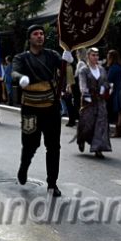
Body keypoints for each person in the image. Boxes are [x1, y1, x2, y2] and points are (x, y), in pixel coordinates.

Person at [12, 24, 73, 197]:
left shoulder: (52, 55)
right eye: (35, 34)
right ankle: (24, 167)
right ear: (29, 38)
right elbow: (14, 73)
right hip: (30, 109)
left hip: (51, 108)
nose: (39, 36)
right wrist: (21, 78)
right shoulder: (21, 58)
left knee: (53, 146)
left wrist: (67, 59)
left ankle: (52, 183)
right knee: (30, 144)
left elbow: (63, 67)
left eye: (41, 34)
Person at [75, 48, 111, 158]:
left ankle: (98, 148)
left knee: (101, 123)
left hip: (100, 100)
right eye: (93, 55)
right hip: (88, 101)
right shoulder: (84, 70)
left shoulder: (102, 69)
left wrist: (106, 88)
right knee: (87, 123)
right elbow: (82, 85)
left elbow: (106, 82)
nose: (95, 57)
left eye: (97, 55)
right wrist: (86, 94)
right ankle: (81, 139)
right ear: (88, 57)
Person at [106, 50, 121, 136]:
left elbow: (108, 80)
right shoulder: (120, 67)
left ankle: (118, 132)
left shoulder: (113, 68)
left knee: (119, 112)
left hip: (118, 90)